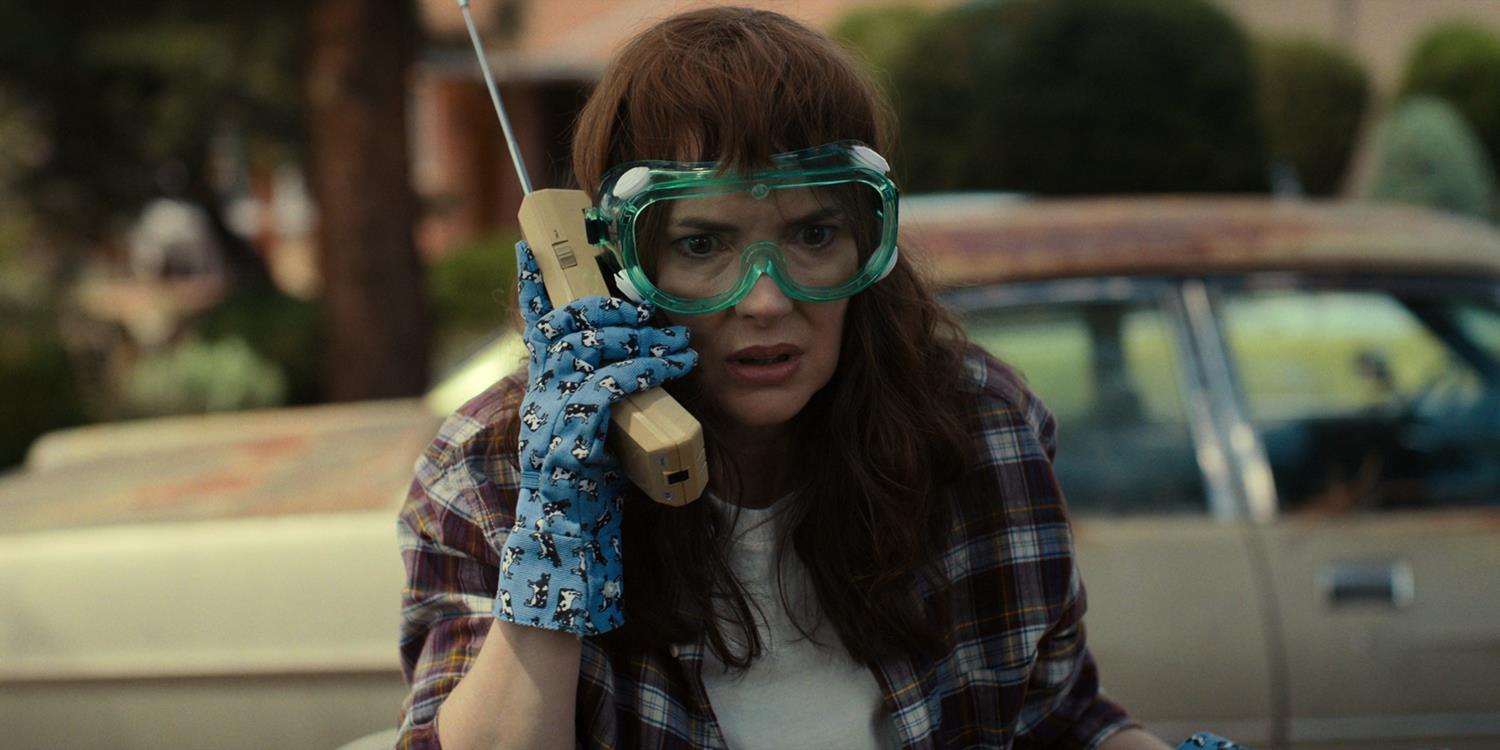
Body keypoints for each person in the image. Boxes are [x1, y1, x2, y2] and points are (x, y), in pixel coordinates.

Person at [397, 7, 1176, 749]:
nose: (767, 301)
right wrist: (554, 553)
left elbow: (1056, 721)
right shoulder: (492, 471)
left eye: (814, 233)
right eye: (702, 244)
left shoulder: (979, 426)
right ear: (610, 268)